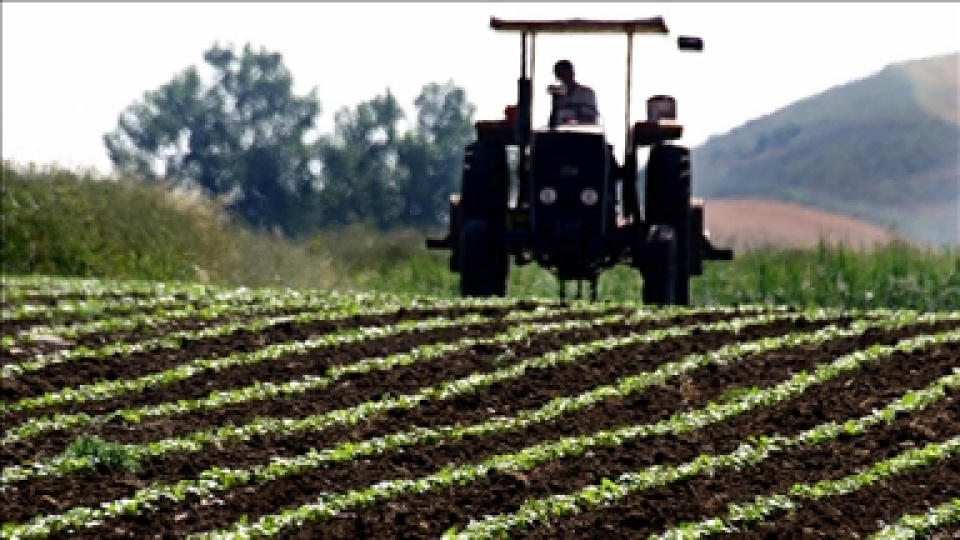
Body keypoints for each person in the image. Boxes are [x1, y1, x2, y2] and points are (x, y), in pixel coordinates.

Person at [548, 60, 599, 128]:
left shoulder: (586, 93)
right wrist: (555, 104)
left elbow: (591, 118)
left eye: (565, 73)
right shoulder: (559, 95)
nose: (563, 77)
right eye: (559, 74)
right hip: (561, 135)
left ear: (572, 73)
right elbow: (552, 123)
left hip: (583, 134)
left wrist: (574, 119)